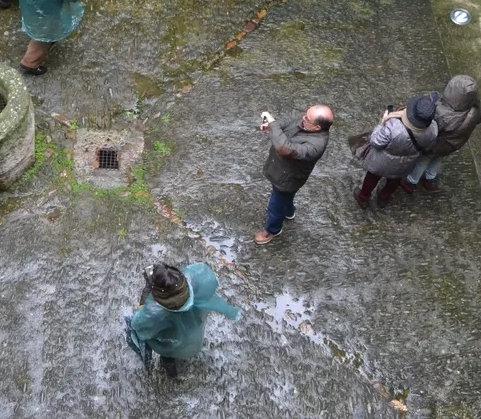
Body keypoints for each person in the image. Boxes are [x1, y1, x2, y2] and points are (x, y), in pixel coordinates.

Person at [128, 262, 241, 378]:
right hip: (193, 333)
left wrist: (147, 288)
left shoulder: (154, 312)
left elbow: (138, 325)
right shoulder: (194, 280)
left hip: (170, 342)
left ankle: (172, 377)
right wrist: (234, 314)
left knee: (167, 357)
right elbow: (211, 288)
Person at [255, 105, 334, 245]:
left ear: (317, 128)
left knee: (276, 205)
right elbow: (286, 121)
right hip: (281, 171)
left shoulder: (316, 145)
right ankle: (289, 212)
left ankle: (273, 230)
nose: (302, 118)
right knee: (286, 197)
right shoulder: (306, 119)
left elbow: (285, 149)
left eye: (307, 119)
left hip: (288, 177)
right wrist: (271, 126)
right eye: (305, 115)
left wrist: (273, 127)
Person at [401, 76, 481, 194]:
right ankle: (430, 178)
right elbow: (479, 120)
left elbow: (431, 127)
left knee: (423, 161)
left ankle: (411, 181)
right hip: (453, 144)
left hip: (435, 144)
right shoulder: (477, 109)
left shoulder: (444, 114)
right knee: (438, 159)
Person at [355, 96, 437, 208]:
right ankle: (384, 198)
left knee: (372, 178)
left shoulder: (393, 126)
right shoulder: (433, 130)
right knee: (395, 181)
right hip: (406, 164)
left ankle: (363, 198)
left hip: (381, 162)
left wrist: (382, 123)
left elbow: (376, 142)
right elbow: (428, 147)